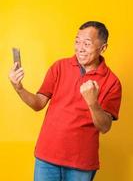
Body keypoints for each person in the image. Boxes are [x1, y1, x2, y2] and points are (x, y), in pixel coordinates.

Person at [9, 21, 122, 181]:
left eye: (87, 43)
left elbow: (104, 127)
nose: (80, 48)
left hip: (81, 164)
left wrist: (92, 102)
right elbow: (38, 103)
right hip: (46, 157)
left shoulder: (112, 82)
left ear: (103, 48)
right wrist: (18, 87)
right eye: (77, 41)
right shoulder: (59, 67)